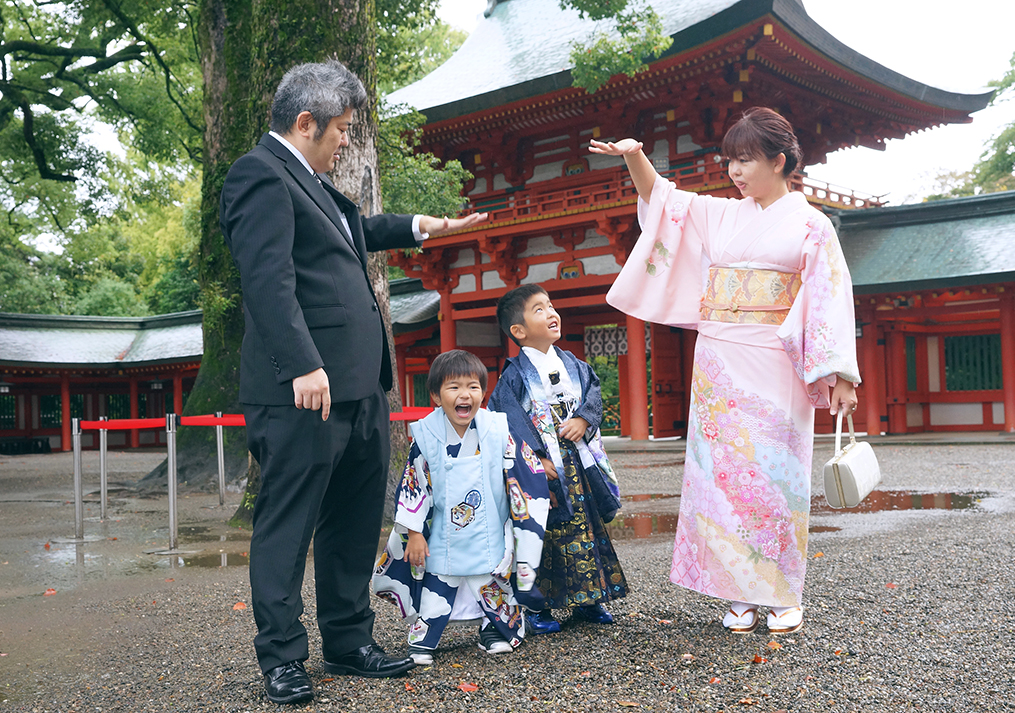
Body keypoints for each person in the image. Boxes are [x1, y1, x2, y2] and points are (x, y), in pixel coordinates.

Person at [219, 60, 487, 705]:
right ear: (305, 122)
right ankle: (283, 658)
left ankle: (348, 640)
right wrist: (302, 363)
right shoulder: (259, 175)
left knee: (351, 518)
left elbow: (351, 234)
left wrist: (422, 228)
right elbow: (267, 278)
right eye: (341, 129)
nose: (347, 140)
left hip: (361, 386)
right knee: (287, 524)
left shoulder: (310, 180)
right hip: (304, 387)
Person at [590, 107, 860, 635]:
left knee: (773, 475)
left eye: (746, 161)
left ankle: (780, 592)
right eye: (730, 161)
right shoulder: (723, 214)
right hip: (718, 359)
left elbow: (830, 297)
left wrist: (841, 374)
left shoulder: (811, 223)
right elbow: (665, 203)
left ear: (779, 162)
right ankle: (735, 591)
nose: (735, 172)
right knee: (719, 476)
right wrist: (635, 156)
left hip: (775, 359)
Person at [372, 350, 551, 664]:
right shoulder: (426, 435)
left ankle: (494, 629)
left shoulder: (497, 429)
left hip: (489, 527)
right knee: (438, 584)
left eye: (473, 386)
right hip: (444, 532)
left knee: (492, 581)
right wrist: (414, 533)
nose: (464, 394)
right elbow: (415, 485)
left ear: (483, 393)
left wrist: (535, 478)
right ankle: (425, 636)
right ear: (437, 396)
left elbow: (521, 471)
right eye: (454, 387)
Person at [488, 284, 628, 634]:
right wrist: (535, 460)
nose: (552, 313)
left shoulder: (574, 365)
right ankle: (538, 606)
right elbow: (507, 419)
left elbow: (593, 392)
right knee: (544, 534)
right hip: (542, 468)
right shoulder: (514, 376)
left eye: (551, 306)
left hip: (577, 459)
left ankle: (589, 599)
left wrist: (583, 419)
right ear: (518, 332)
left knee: (585, 527)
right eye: (539, 309)